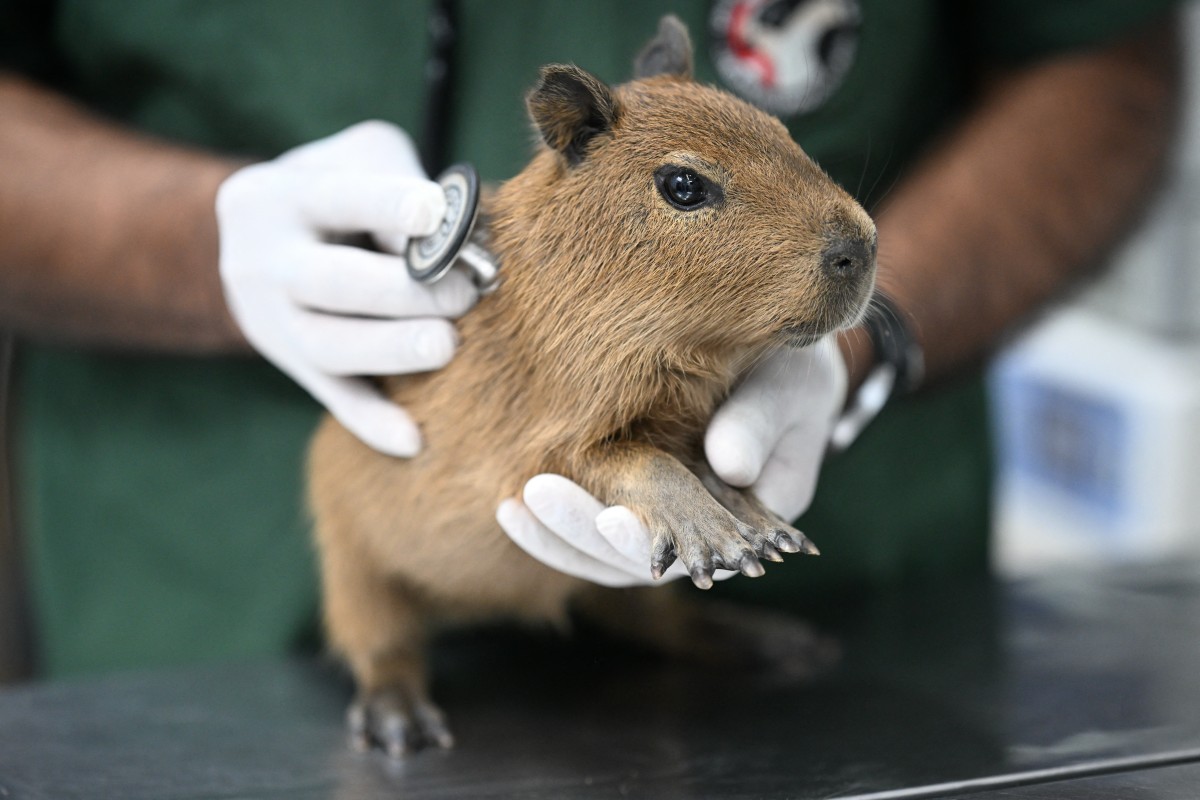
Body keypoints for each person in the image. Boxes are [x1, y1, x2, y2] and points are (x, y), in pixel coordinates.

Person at [0, 1, 1181, 679]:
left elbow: (1097, 55)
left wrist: (858, 343)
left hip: (849, 624)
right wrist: (197, 241)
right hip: (194, 614)